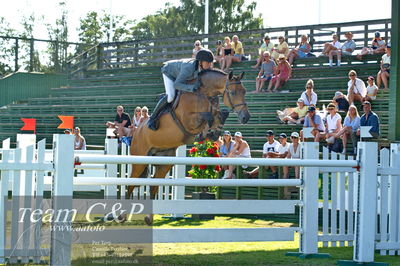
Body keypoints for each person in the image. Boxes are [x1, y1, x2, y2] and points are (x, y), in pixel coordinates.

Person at [148, 49, 215, 130]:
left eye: (211, 63)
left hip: (180, 74)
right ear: (200, 62)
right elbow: (177, 84)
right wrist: (192, 87)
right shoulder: (189, 68)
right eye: (208, 63)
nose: (210, 65)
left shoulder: (202, 67)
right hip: (169, 72)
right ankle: (152, 118)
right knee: (170, 97)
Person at [283, 132, 302, 198]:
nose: (294, 139)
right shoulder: (290, 146)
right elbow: (288, 156)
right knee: (285, 164)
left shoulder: (301, 145)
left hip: (299, 163)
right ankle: (286, 177)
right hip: (293, 162)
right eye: (292, 137)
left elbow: (301, 157)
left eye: (295, 137)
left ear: (298, 138)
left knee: (297, 166)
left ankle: (297, 180)